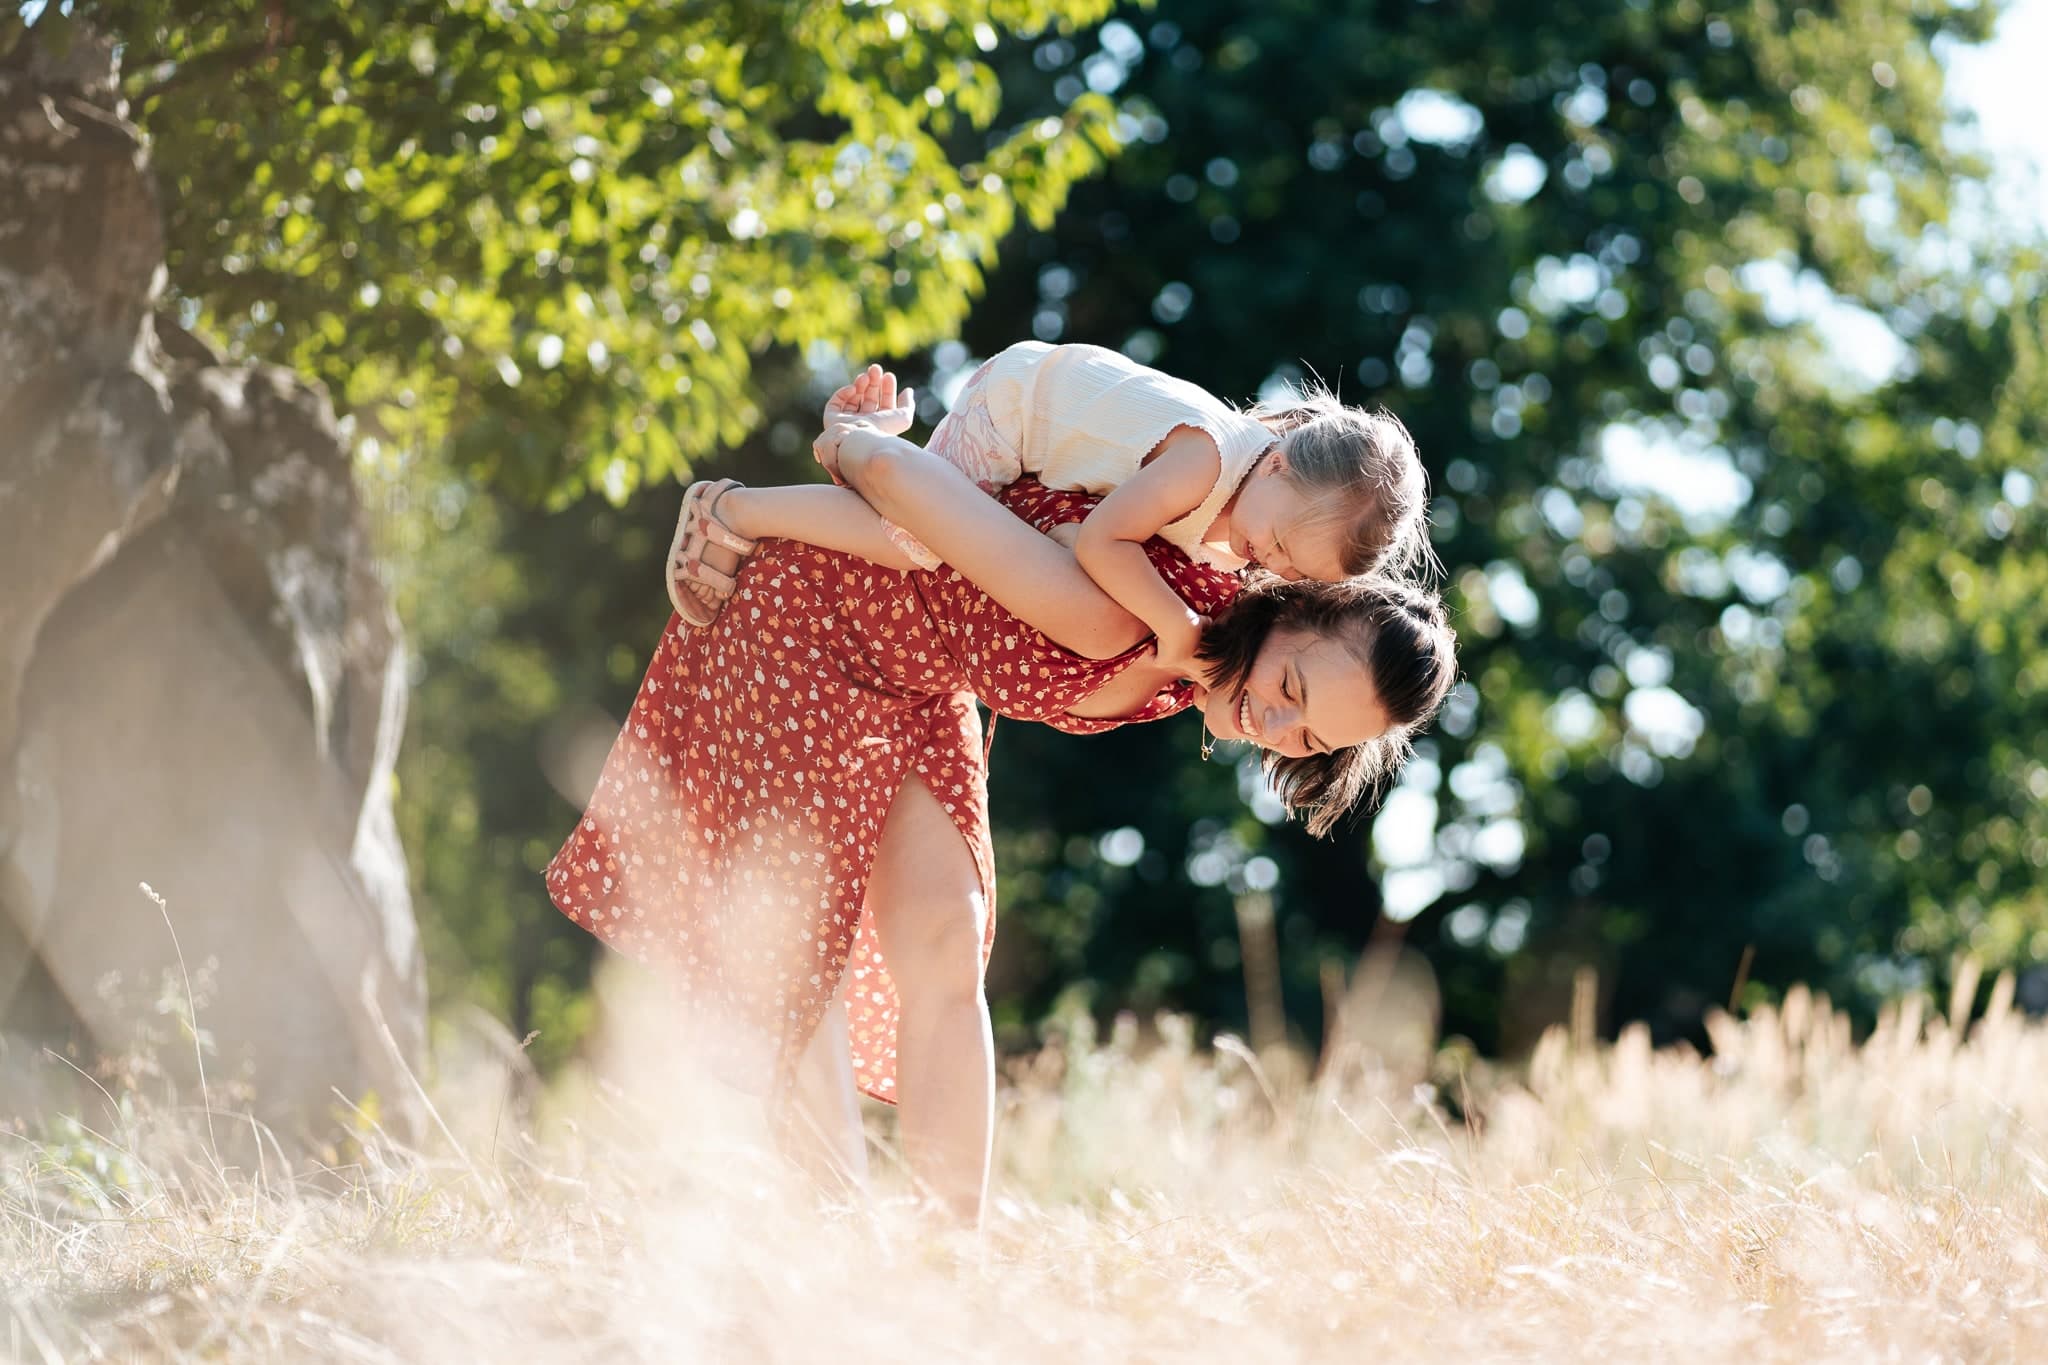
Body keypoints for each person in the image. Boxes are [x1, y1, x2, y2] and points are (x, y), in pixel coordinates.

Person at [546, 392, 1457, 1223]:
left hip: (914, 677)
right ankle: (835, 1244)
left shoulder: (1199, 622)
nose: (1275, 723)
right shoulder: (1135, 603)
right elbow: (912, 490)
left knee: (945, 937)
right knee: (799, 941)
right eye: (1293, 686)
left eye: (1304, 739)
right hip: (806, 618)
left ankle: (952, 1250)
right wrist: (853, 444)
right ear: (1289, 603)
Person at [666, 346, 1428, 677]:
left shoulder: (1244, 507)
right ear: (1282, 461)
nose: (1277, 566)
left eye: (1298, 571)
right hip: (1016, 406)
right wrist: (1175, 625)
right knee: (916, 540)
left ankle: (864, 446)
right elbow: (1103, 543)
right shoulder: (1206, 462)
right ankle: (734, 509)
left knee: (934, 517)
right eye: (1287, 543)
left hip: (1040, 420)